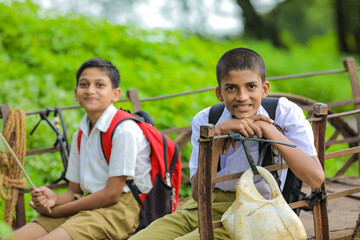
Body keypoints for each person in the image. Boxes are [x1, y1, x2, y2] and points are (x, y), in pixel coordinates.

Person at [130, 47, 325, 240]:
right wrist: (216, 138)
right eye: (231, 88)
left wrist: (268, 130)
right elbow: (199, 195)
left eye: (251, 86)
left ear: (264, 89)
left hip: (253, 210)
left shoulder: (283, 112)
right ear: (219, 93)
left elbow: (315, 179)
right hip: (201, 206)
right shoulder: (206, 118)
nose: (241, 97)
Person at [13, 58, 152, 240]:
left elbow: (112, 194)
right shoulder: (80, 134)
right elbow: (73, 192)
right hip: (88, 203)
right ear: (76, 92)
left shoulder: (124, 130)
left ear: (115, 94)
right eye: (84, 84)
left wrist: (58, 211)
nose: (90, 90)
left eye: (100, 85)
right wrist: (54, 198)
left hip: (120, 211)